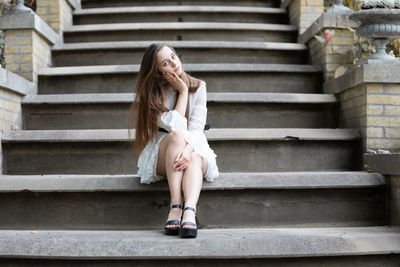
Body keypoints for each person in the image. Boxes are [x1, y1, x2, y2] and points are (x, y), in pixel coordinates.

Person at [128, 43, 219, 238]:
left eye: (173, 56)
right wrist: (183, 92)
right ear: (157, 70)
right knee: (177, 136)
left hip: (194, 147)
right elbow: (176, 127)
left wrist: (189, 151)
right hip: (163, 153)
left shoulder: (200, 86)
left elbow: (196, 128)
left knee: (193, 158)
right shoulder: (151, 94)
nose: (174, 64)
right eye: (165, 63)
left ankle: (189, 211)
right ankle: (175, 204)